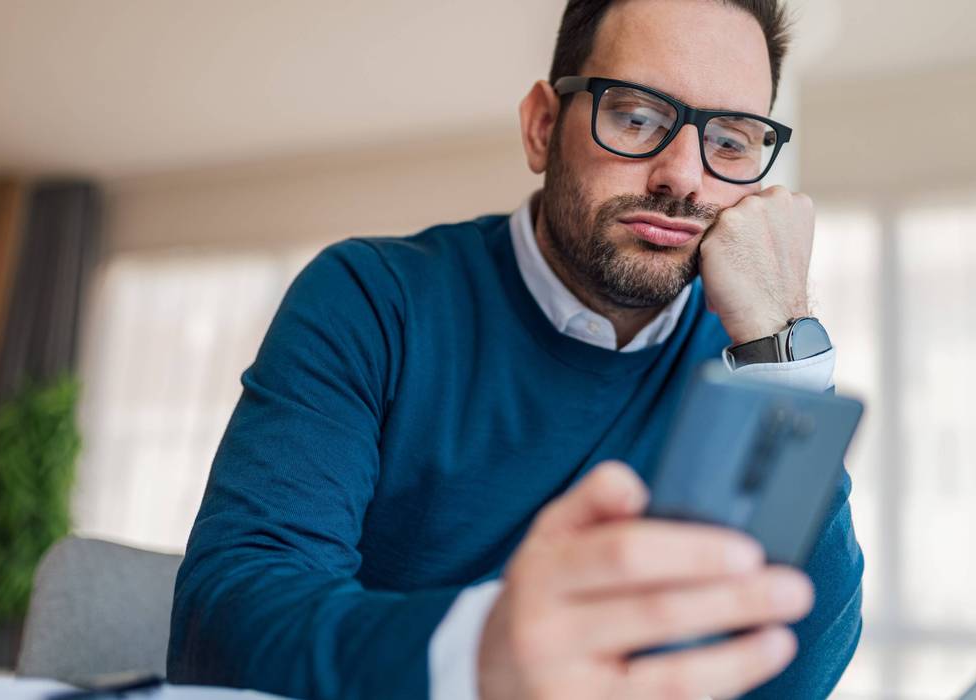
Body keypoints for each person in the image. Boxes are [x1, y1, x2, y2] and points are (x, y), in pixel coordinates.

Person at [167, 0, 863, 698]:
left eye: (732, 142)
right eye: (636, 118)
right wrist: (479, 652)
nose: (683, 176)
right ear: (540, 126)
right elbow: (224, 627)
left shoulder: (748, 366)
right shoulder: (370, 298)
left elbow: (791, 680)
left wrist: (784, 354)